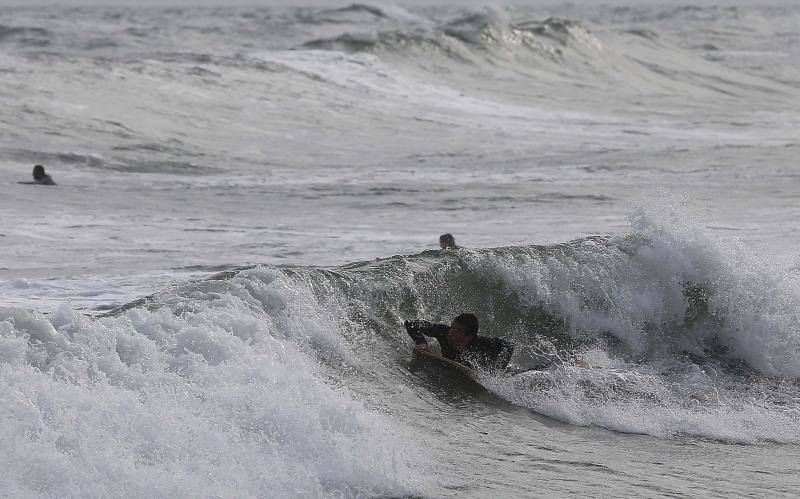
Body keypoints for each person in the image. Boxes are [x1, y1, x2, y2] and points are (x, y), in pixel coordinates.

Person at [404, 313, 514, 371]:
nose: (451, 332)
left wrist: (497, 371)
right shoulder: (444, 332)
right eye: (452, 327)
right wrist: (421, 343)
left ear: (468, 337)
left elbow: (508, 347)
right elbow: (411, 324)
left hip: (496, 355)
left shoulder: (479, 346)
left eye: (457, 330)